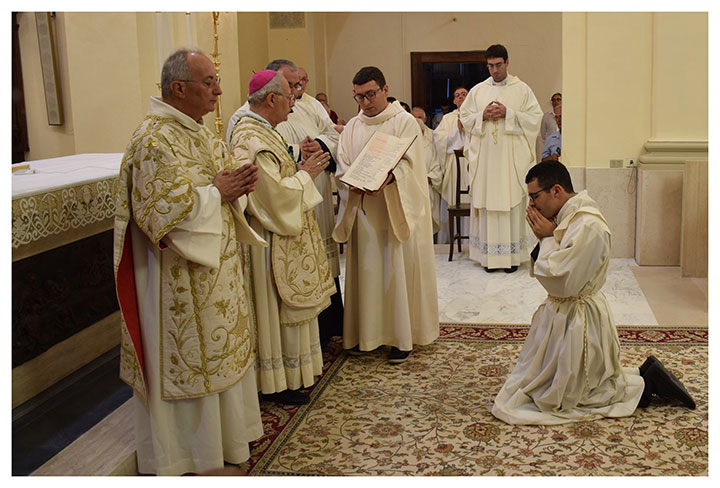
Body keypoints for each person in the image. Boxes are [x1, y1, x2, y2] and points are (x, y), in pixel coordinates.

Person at [113, 49, 267, 474]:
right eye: (209, 81)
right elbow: (158, 213)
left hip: (215, 272)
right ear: (178, 88)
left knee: (219, 357)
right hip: (176, 281)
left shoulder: (198, 132)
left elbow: (221, 178)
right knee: (192, 362)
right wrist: (218, 191)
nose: (219, 90)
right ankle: (190, 455)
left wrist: (238, 182)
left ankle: (221, 445)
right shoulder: (152, 140)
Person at [492, 161, 695, 425]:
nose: (531, 206)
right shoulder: (569, 215)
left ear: (556, 191)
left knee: (573, 398)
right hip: (565, 312)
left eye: (534, 197)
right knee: (541, 383)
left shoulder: (587, 224)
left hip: (579, 319)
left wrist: (547, 239)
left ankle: (646, 385)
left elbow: (565, 282)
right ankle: (644, 375)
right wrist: (550, 236)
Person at [228, 70, 335, 405]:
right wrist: (306, 174)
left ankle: (293, 376)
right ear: (272, 99)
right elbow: (272, 197)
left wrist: (299, 166)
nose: (294, 102)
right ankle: (279, 380)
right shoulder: (252, 137)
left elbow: (278, 176)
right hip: (270, 241)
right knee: (276, 312)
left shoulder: (264, 131)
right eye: (290, 95)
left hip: (281, 237)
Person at [333, 66, 439, 364]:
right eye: (358, 96)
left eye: (370, 94)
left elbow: (413, 165)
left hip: (394, 211)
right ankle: (365, 335)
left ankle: (399, 338)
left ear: (385, 89)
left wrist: (391, 179)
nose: (365, 102)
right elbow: (343, 164)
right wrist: (352, 180)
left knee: (395, 272)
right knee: (367, 273)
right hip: (364, 212)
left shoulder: (404, 122)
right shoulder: (352, 126)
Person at [275, 63, 345, 347]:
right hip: (290, 197)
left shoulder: (310, 105)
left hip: (316, 191)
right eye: (291, 85)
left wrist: (320, 144)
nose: (297, 91)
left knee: (322, 260)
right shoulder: (252, 114)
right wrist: (298, 152)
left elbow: (333, 133)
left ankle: (330, 326)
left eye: (300, 83)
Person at [460, 44, 543, 272]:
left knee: (511, 201)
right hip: (487, 162)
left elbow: (535, 119)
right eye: (490, 66)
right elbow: (465, 118)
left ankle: (512, 258)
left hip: (510, 162)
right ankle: (488, 258)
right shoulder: (478, 91)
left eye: (498, 65)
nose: (494, 70)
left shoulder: (522, 89)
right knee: (488, 204)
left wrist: (510, 114)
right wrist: (482, 116)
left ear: (507, 62)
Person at [433, 86, 470, 244]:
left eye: (464, 94)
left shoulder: (477, 115)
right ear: (454, 100)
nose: (461, 97)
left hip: (472, 166)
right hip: (455, 166)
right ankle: (454, 241)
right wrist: (457, 131)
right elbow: (439, 139)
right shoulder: (448, 118)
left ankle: (472, 241)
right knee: (456, 201)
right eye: (457, 95)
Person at [412, 106, 443, 235]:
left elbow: (438, 159)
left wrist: (431, 177)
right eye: (414, 118)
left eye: (419, 117)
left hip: (429, 183)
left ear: (425, 119)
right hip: (413, 185)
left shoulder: (434, 136)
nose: (417, 121)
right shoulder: (406, 136)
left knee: (429, 222)